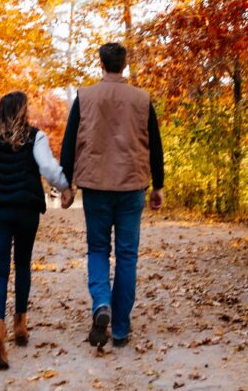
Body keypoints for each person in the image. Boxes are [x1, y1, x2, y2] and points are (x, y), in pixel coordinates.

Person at [59, 42, 164, 349]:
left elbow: (69, 142)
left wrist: (67, 184)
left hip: (95, 187)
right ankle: (119, 329)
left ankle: (101, 304)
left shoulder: (85, 97)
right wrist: (158, 184)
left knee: (98, 250)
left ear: (101, 64)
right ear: (124, 64)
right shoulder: (142, 99)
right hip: (132, 186)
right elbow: (154, 144)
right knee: (127, 256)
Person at [0, 91, 70, 369]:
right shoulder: (34, 136)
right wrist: (65, 186)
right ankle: (21, 325)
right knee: (23, 264)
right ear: (23, 110)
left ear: (1, 111)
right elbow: (48, 169)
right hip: (25, 210)